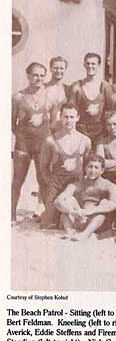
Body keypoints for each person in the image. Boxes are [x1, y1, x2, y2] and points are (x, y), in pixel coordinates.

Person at [39, 103, 92, 229]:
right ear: (60, 117)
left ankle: (67, 213)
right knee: (47, 225)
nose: (69, 120)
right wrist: (50, 186)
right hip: (56, 184)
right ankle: (51, 212)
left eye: (72, 117)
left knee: (76, 223)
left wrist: (81, 184)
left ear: (78, 117)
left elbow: (86, 164)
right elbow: (43, 167)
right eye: (66, 117)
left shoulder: (85, 140)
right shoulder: (50, 141)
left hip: (75, 184)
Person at [11, 62, 53, 224]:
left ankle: (45, 215)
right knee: (17, 180)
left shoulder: (49, 96)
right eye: (35, 75)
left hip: (42, 145)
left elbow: (54, 123)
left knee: (43, 179)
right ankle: (11, 214)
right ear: (28, 76)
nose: (39, 78)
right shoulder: (18, 97)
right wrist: (22, 136)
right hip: (24, 145)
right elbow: (10, 122)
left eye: (42, 75)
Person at [54, 154, 116, 241]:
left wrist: (91, 210)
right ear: (85, 168)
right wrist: (72, 212)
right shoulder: (76, 184)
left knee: (104, 202)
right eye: (90, 167)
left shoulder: (109, 185)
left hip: (96, 222)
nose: (92, 170)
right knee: (69, 201)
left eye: (96, 167)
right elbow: (57, 201)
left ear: (102, 170)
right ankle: (69, 233)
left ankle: (85, 235)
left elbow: (115, 204)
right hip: (79, 218)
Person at [68, 53, 113, 144]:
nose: (90, 66)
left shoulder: (105, 87)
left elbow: (110, 110)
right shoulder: (76, 86)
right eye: (88, 63)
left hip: (100, 132)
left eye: (93, 64)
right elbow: (70, 110)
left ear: (99, 66)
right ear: (84, 65)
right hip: (81, 131)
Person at [45, 56, 69, 131]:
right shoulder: (43, 88)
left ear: (65, 69)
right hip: (45, 129)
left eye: (61, 68)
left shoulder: (68, 89)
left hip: (62, 130)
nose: (58, 71)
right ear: (50, 68)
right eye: (55, 68)